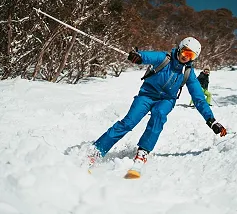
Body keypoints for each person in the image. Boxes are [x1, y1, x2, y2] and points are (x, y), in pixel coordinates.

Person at [87, 37, 227, 177]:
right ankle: (96, 151)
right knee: (128, 122)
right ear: (179, 48)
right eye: (185, 53)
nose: (186, 58)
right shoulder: (164, 58)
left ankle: (143, 151)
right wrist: (138, 57)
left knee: (159, 114)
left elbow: (199, 98)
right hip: (146, 96)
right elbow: (148, 56)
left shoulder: (188, 73)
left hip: (166, 100)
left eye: (191, 56)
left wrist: (211, 120)